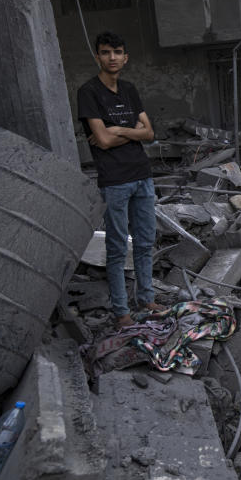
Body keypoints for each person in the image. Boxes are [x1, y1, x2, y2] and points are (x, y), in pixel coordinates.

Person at [77, 32, 161, 328]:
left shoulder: (129, 89)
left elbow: (149, 134)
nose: (112, 57)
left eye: (117, 52)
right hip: (114, 180)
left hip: (142, 175)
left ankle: (146, 299)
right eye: (105, 52)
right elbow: (100, 138)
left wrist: (117, 130)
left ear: (125, 57)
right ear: (98, 56)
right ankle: (122, 312)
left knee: (144, 241)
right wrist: (129, 129)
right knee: (116, 247)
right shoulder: (88, 92)